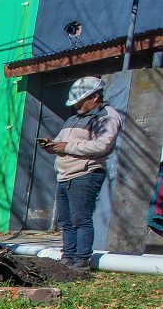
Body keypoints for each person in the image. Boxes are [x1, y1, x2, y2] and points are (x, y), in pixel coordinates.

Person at [37, 76, 121, 269]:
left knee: (80, 219)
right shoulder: (73, 119)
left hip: (86, 174)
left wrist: (66, 146)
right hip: (65, 175)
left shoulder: (106, 116)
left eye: (80, 102)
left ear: (95, 97)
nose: (76, 106)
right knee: (66, 222)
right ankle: (68, 258)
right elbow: (62, 142)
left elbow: (102, 145)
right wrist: (52, 144)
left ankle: (81, 260)